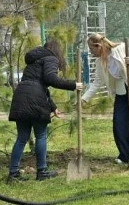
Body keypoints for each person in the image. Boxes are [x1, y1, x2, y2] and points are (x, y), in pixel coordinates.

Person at [7, 39, 84, 182]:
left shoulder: (33, 61)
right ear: (57, 50)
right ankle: (42, 171)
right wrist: (73, 85)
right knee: (40, 136)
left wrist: (53, 107)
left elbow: (38, 85)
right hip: (35, 99)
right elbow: (51, 79)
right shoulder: (51, 58)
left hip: (21, 96)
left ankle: (13, 173)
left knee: (22, 137)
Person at [81, 33, 129, 168]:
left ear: (98, 46)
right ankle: (125, 155)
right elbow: (97, 83)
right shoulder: (99, 63)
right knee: (119, 124)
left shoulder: (121, 48)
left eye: (91, 49)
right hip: (121, 94)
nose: (91, 52)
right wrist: (84, 98)